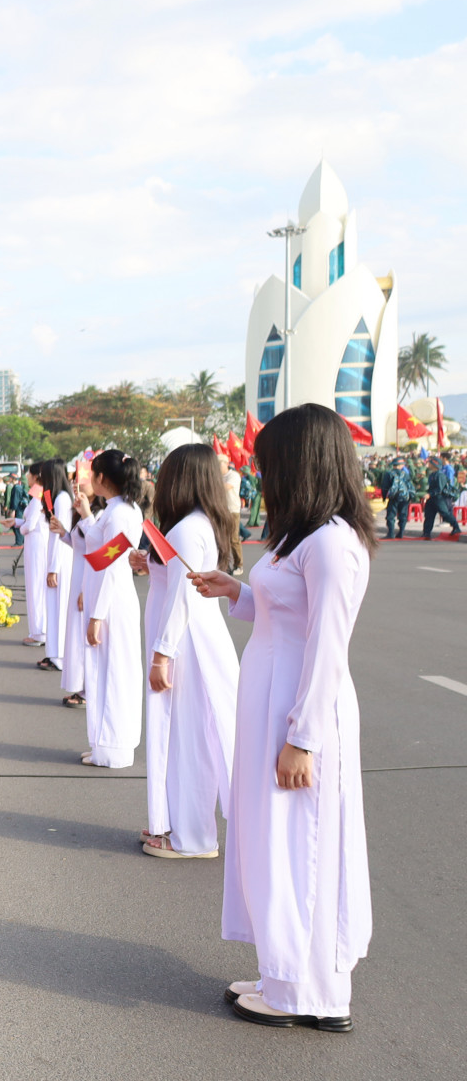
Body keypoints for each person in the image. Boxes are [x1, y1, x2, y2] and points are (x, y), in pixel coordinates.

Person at [190, 403, 374, 1032]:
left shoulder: (331, 544)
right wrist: (235, 590)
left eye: (270, 464)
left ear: (303, 463)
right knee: (275, 839)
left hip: (301, 710)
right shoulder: (302, 536)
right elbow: (280, 616)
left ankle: (308, 990)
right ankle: (283, 970)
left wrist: (303, 738)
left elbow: (327, 647)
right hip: (273, 704)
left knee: (304, 844)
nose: (261, 477)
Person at [132, 443, 240, 859]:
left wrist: (163, 653)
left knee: (191, 738)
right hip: (186, 640)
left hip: (185, 644)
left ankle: (193, 836)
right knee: (185, 736)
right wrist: (151, 563)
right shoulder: (193, 526)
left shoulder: (187, 530)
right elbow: (175, 578)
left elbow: (183, 595)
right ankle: (180, 825)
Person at [78, 449, 145, 767]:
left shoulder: (119, 514)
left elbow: (112, 565)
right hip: (105, 596)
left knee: (113, 672)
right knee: (106, 671)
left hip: (112, 602)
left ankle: (113, 748)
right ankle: (104, 743)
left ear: (101, 477)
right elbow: (99, 554)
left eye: (92, 473)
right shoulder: (116, 510)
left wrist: (96, 614)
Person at [59, 478, 98, 709]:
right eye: (75, 482)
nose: (77, 486)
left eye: (83, 481)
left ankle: (88, 689)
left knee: (87, 637)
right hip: (79, 575)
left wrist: (87, 587)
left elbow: (99, 551)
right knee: (76, 634)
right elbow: (81, 544)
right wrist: (64, 532)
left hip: (88, 578)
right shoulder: (82, 511)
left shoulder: (101, 513)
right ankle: (81, 685)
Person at [37, 459, 75, 671]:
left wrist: (54, 568)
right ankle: (53, 653)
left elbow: (62, 537)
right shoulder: (57, 498)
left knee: (59, 608)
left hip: (60, 561)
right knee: (53, 607)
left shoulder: (62, 500)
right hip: (55, 557)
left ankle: (59, 656)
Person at [17, 465, 49, 645]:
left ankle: (38, 633)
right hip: (39, 540)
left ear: (36, 476)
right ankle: (40, 630)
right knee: (38, 586)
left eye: (29, 473)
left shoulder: (38, 498)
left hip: (36, 542)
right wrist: (16, 522)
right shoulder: (44, 495)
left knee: (35, 586)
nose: (27, 477)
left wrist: (21, 527)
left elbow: (30, 525)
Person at [422, 453, 461, 540]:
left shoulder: (440, 475)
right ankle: (426, 533)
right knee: (429, 515)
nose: (428, 464)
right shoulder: (432, 475)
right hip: (431, 498)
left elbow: (439, 489)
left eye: (430, 463)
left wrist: (430, 494)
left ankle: (456, 527)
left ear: (434, 465)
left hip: (439, 498)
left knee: (445, 514)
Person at [382, 457, 413, 538]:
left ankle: (391, 533)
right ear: (401, 465)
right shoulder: (405, 474)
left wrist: (384, 497)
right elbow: (410, 486)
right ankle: (401, 533)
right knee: (403, 515)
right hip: (404, 497)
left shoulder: (389, 474)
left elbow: (385, 487)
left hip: (394, 497)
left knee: (391, 516)